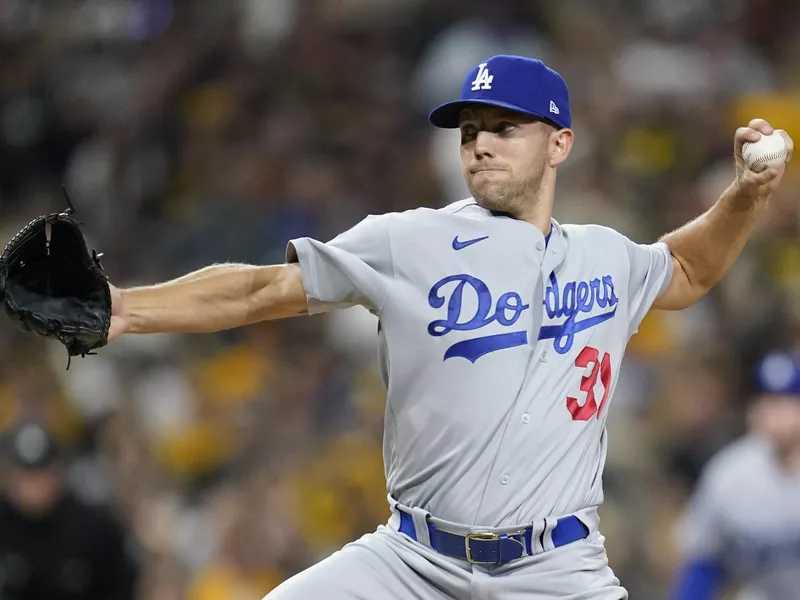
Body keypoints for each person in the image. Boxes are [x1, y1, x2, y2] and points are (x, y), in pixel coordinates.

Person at [106, 55, 794, 599]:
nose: (480, 146)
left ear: (560, 144)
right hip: (412, 563)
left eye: (503, 128)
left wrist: (744, 196)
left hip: (555, 569)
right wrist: (127, 309)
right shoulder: (410, 241)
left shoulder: (604, 256)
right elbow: (264, 289)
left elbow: (687, 270)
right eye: (469, 131)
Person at [669, 350, 800, 600]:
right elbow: (703, 562)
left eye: (786, 402)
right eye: (766, 401)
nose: (774, 413)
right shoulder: (730, 475)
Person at [0, 421, 140, 600]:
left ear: (57, 472)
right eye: (27, 475)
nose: (35, 486)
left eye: (42, 473)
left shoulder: (94, 528)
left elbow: (124, 584)